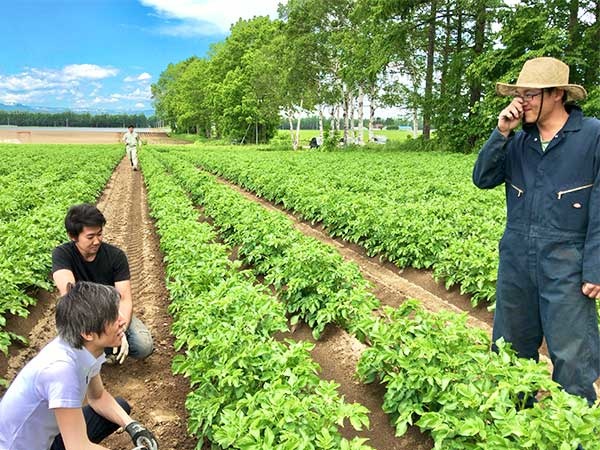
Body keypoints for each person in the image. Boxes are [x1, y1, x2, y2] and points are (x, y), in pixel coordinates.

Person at [473, 57, 600, 405]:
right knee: (510, 353)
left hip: (567, 265)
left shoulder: (592, 136)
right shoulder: (517, 140)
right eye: (520, 94)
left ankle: (572, 436)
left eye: (530, 94)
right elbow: (482, 178)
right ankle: (513, 430)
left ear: (557, 94)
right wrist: (501, 132)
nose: (522, 101)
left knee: (573, 360)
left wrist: (595, 267)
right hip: (517, 262)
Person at [0, 281, 159, 450]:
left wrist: (133, 426)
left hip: (49, 438)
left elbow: (98, 397)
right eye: (113, 317)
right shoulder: (61, 370)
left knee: (120, 408)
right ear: (88, 333)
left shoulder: (85, 348)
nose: (122, 321)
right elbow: (77, 447)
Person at [52, 203, 153, 364]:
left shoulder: (116, 256)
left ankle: (104, 349)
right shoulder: (62, 254)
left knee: (143, 346)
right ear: (73, 236)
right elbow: (70, 294)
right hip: (82, 314)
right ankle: (98, 352)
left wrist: (121, 329)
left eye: (100, 234)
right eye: (90, 237)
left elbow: (125, 299)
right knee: (71, 350)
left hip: (113, 313)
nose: (97, 241)